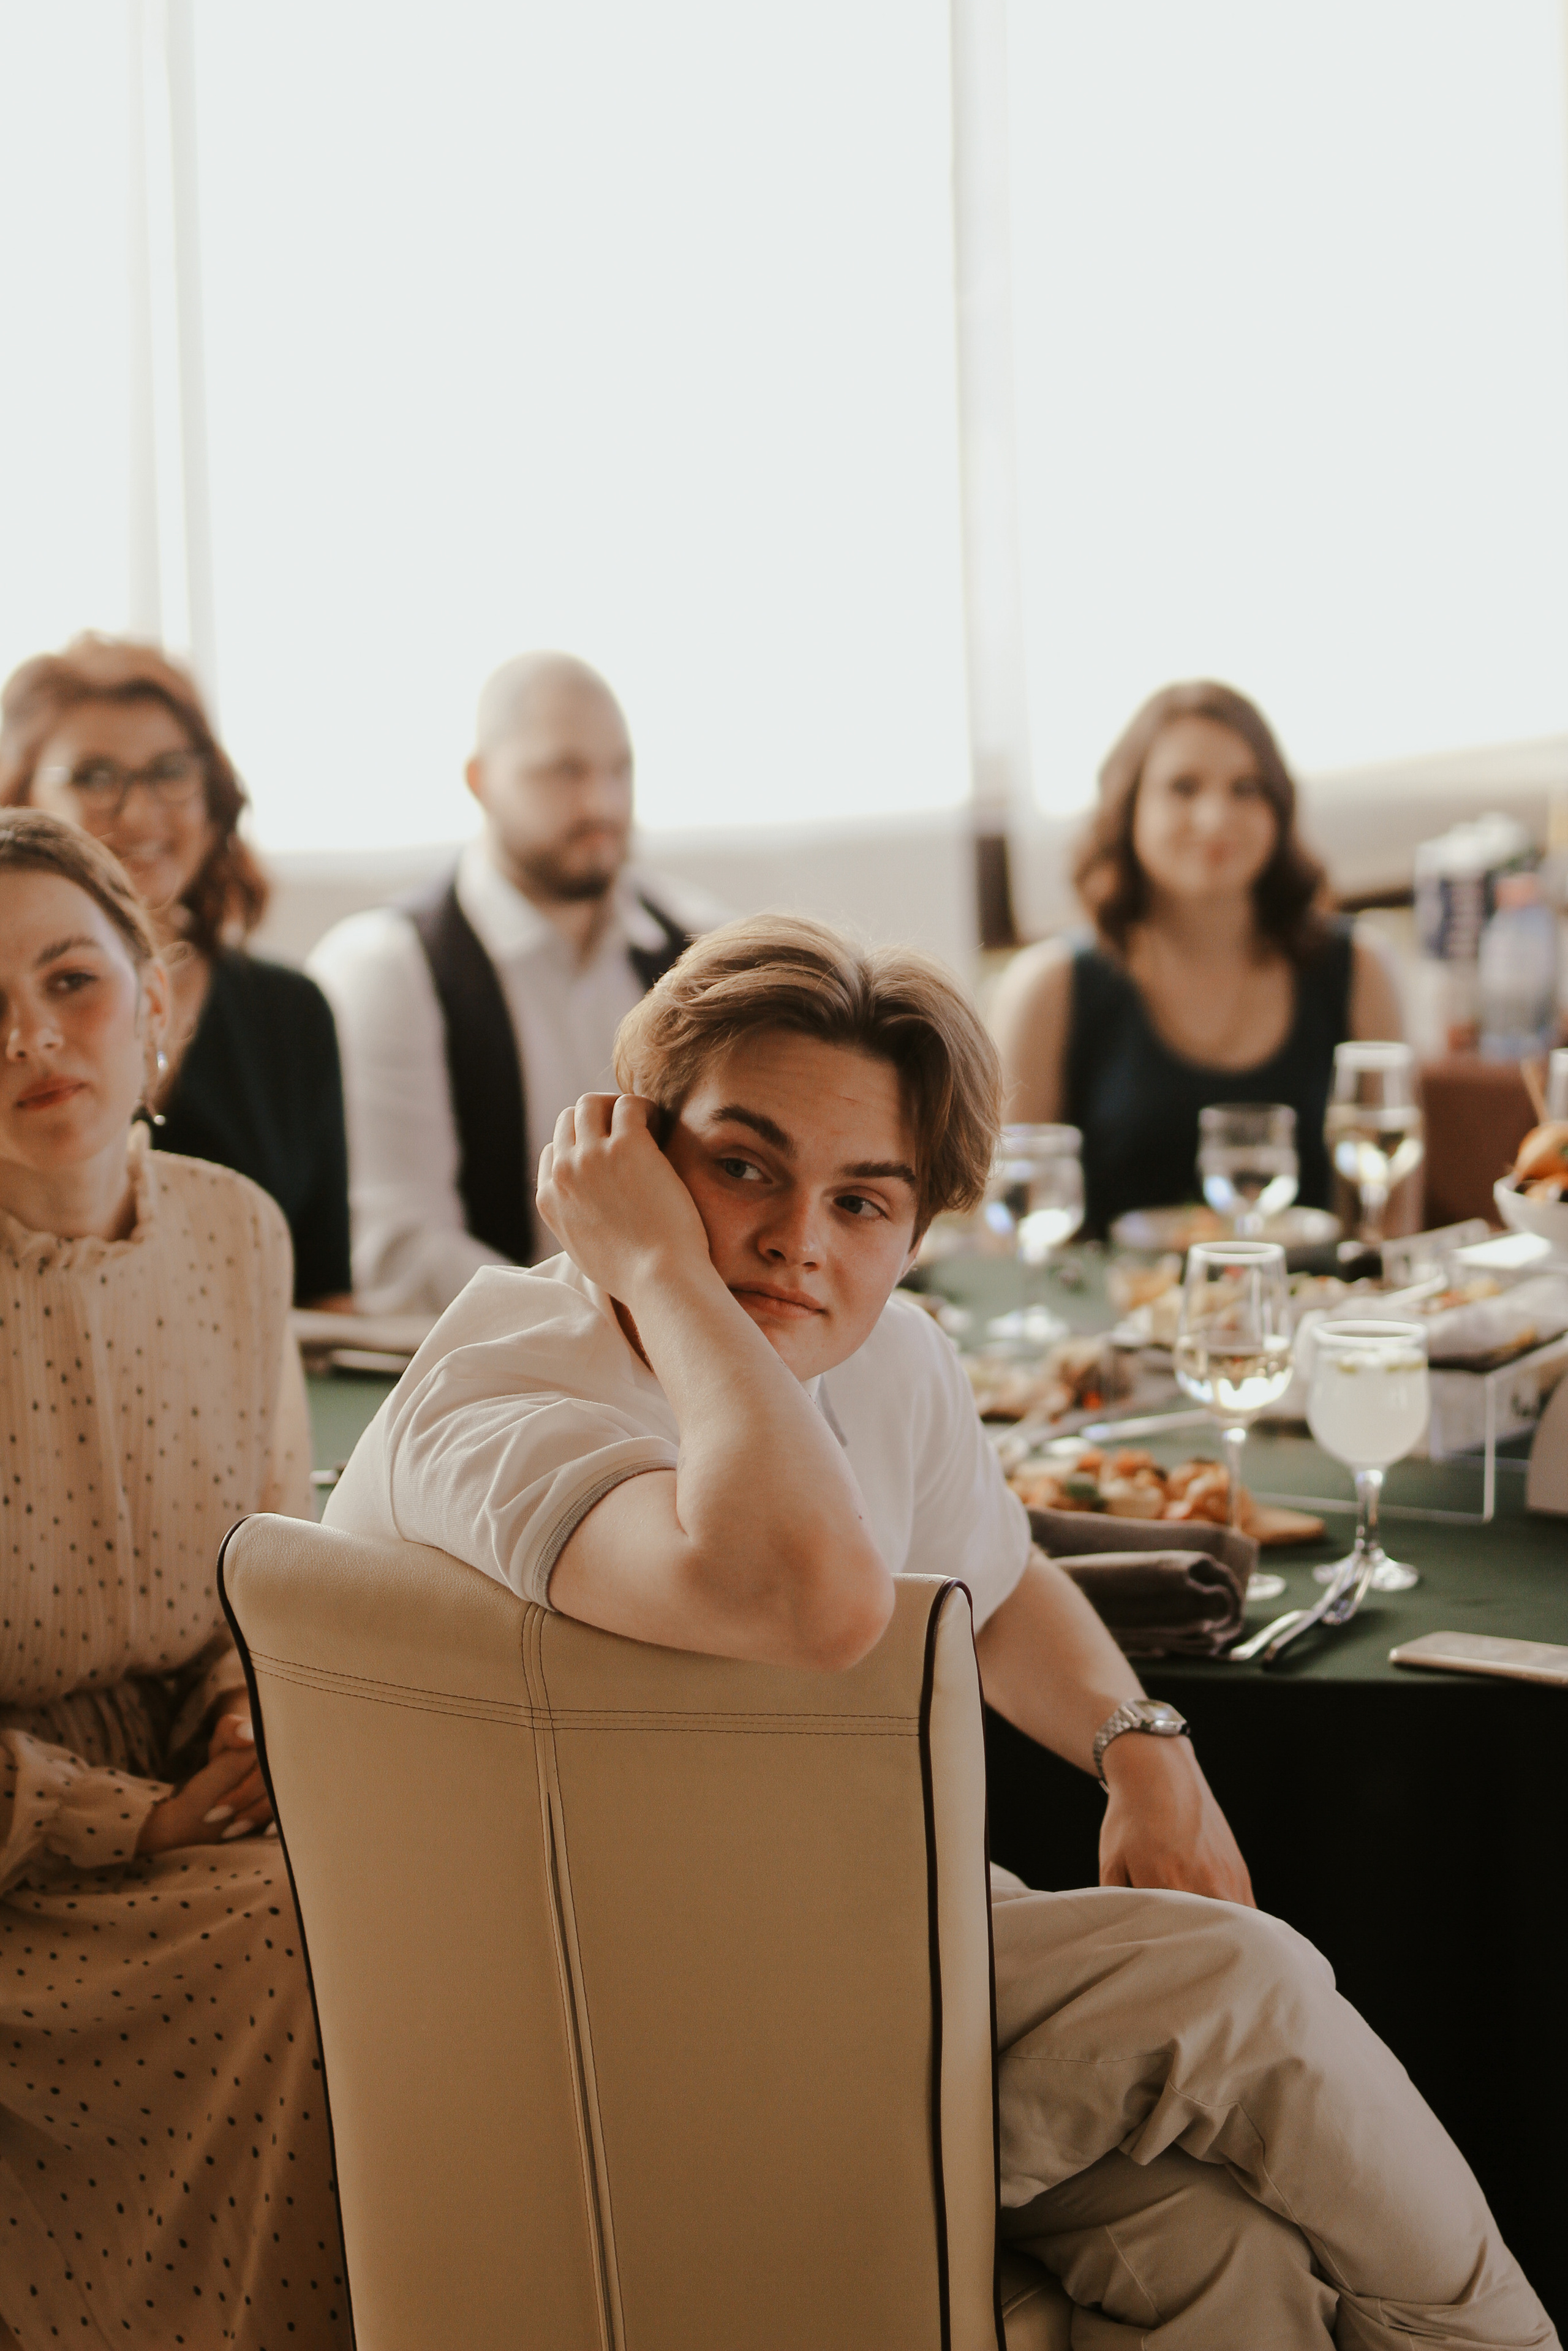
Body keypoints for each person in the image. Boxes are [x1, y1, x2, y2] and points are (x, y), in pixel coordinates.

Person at [326, 915, 1551, 2347]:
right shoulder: (509, 1398)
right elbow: (811, 1591)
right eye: (741, 1168)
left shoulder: (889, 1354)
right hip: (623, 2031)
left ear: (917, 1229)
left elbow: (1002, 1577)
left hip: (843, 1944)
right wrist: (664, 1275)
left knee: (1218, 2257)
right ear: (630, 1156)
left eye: (861, 1203)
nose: (795, 1242)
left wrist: (1140, 1749)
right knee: (1246, 1988)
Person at [0, 809, 347, 2348]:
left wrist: (241, 1724)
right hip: (27, 1868)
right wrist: (133, 1816)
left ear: (161, 999)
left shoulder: (234, 1233)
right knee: (307, 1940)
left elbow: (269, 1564)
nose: (31, 1036)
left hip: (223, 1808)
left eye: (73, 980)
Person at [307, 651, 720, 1314]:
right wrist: (621, 1322)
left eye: (620, 770)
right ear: (481, 779)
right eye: (564, 771)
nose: (601, 803)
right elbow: (401, 1256)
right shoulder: (388, 967)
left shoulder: (703, 946)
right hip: (489, 1386)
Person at [0, 633, 353, 1307]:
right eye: (94, 777)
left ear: (212, 793)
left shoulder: (292, 1012)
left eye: (169, 772)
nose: (138, 813)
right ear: (22, 805)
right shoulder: (12, 1023)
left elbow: (327, 1294)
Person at [991, 681, 1406, 1236]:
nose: (1215, 818)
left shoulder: (1360, 969)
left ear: (1279, 808)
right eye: (1183, 788)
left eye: (1245, 788)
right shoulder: (1049, 988)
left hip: (1314, 1312)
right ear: (1127, 805)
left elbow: (1394, 1222)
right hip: (1107, 1318)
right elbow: (1005, 1234)